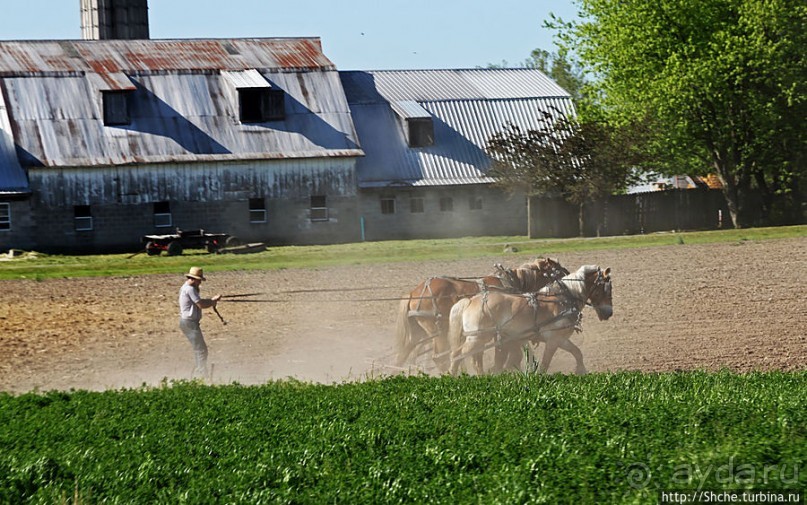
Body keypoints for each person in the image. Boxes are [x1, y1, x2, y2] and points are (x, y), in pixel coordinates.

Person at [178, 266, 221, 378]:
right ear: (193, 279)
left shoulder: (188, 288)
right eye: (199, 280)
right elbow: (201, 304)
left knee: (199, 349)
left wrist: (211, 301)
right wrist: (212, 302)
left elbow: (199, 301)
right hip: (189, 323)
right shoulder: (190, 289)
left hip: (189, 323)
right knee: (201, 350)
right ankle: (202, 374)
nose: (200, 282)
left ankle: (200, 372)